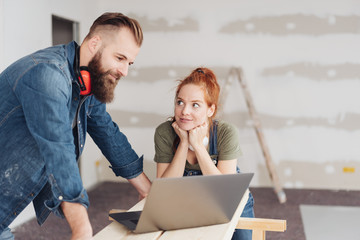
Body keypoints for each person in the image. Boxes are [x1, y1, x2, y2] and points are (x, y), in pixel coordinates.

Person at [0, 12, 151, 240]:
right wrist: (82, 228)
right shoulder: (47, 75)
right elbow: (58, 148)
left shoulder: (88, 80)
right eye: (120, 58)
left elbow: (107, 132)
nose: (124, 71)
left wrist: (146, 190)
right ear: (94, 43)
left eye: (129, 63)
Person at [153, 67, 255, 240]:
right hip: (189, 200)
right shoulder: (164, 132)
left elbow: (224, 192)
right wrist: (184, 143)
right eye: (180, 102)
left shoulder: (226, 133)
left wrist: (198, 146)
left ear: (210, 110)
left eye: (195, 105)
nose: (184, 111)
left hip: (231, 201)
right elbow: (165, 189)